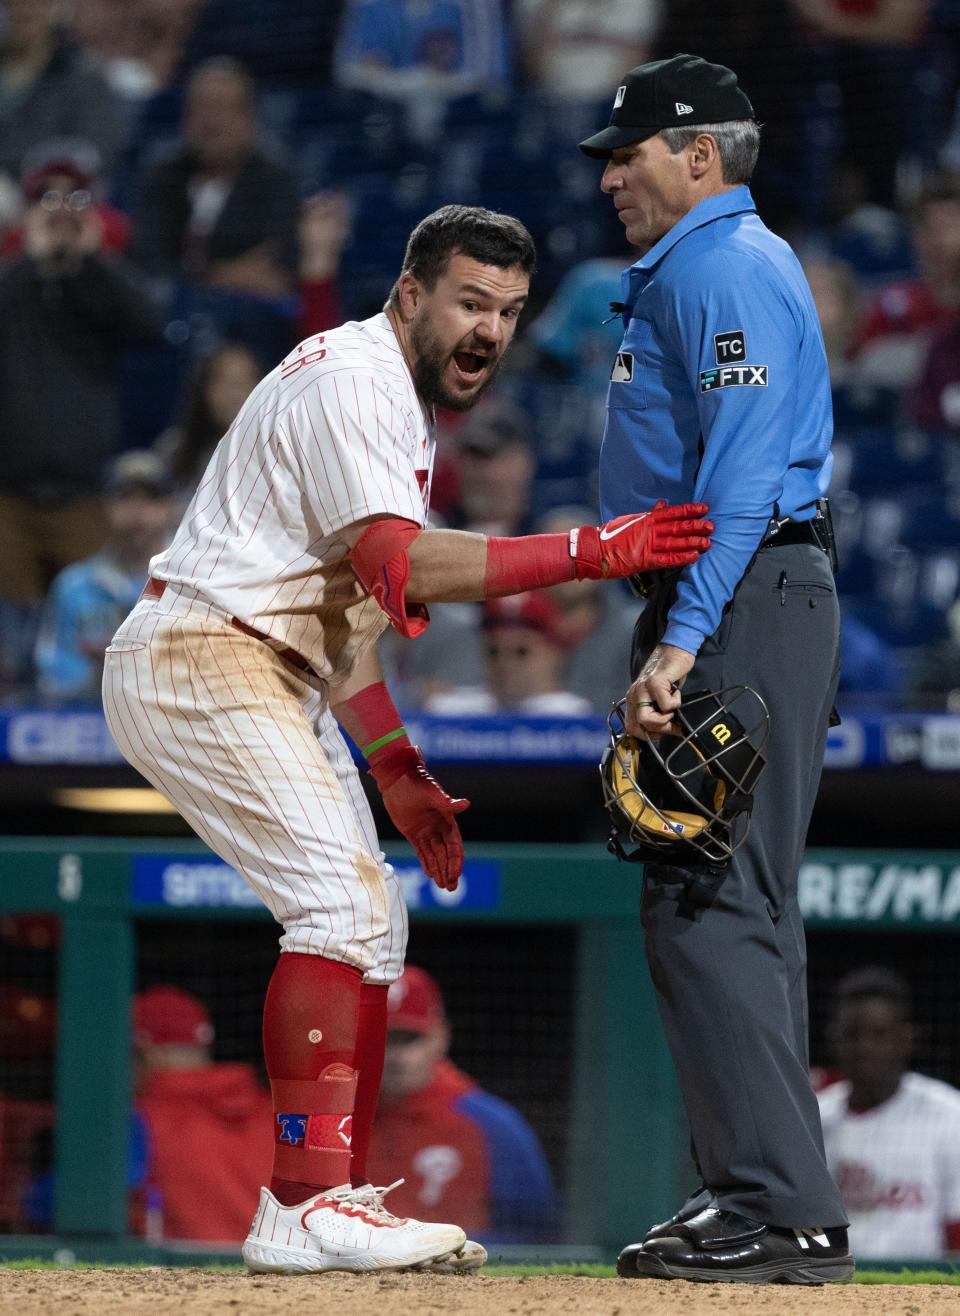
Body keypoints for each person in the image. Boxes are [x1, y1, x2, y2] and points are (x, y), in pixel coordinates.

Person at [101, 203, 712, 1277]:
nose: (490, 328)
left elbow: (349, 626)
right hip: (202, 649)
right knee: (336, 906)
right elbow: (405, 565)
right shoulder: (356, 379)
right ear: (412, 292)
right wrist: (591, 548)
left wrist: (397, 767)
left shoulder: (390, 400)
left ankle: (330, 1194)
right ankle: (304, 1203)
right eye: (471, 301)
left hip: (261, 656)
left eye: (512, 311)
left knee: (374, 919)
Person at [578, 56, 852, 1283]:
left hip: (741, 593)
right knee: (733, 900)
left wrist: (685, 637)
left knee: (708, 896)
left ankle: (779, 1208)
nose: (609, 172)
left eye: (627, 151)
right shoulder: (709, 263)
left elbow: (743, 472)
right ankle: (756, 1188)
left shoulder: (729, 262)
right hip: (743, 593)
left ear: (698, 155)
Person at [367, 965, 559, 1243]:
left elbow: (537, 1234)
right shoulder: (330, 1123)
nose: (398, 1057)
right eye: (385, 1039)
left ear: (441, 1036)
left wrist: (451, 1247)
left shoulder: (491, 1124)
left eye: (411, 1039)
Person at [818, 967, 960, 1259]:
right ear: (836, 1039)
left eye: (879, 1034)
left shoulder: (948, 1114)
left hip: (921, 1287)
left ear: (906, 1038)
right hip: (831, 1290)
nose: (865, 1047)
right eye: (852, 1034)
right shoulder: (814, 1117)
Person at [133, 57, 300, 300]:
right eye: (201, 108)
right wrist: (219, 276)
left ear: (249, 119)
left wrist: (195, 276)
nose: (210, 122)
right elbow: (149, 262)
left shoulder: (275, 179)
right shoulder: (162, 175)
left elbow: (274, 269)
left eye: (222, 108)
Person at [132, 985, 276, 1243]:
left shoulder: (140, 1121)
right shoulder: (275, 1114)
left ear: (144, 1052)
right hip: (278, 1276)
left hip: (184, 1279)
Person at [34, 452, 179, 702]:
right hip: (90, 719)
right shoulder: (73, 585)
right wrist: (103, 673)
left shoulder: (191, 581)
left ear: (171, 508)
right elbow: (52, 675)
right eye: (124, 497)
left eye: (151, 498)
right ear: (103, 507)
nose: (137, 511)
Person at [0, 0, 123, 188]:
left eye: (33, 4)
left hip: (48, 198)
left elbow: (93, 158)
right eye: (11, 3)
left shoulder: (83, 77)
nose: (21, 10)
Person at [425, 590, 593, 716]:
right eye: (493, 652)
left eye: (521, 651)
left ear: (556, 652)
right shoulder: (453, 710)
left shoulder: (576, 716)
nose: (505, 663)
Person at [154, 343, 263, 500]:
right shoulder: (173, 449)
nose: (236, 394)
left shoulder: (277, 450)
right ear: (203, 390)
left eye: (245, 382)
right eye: (226, 382)